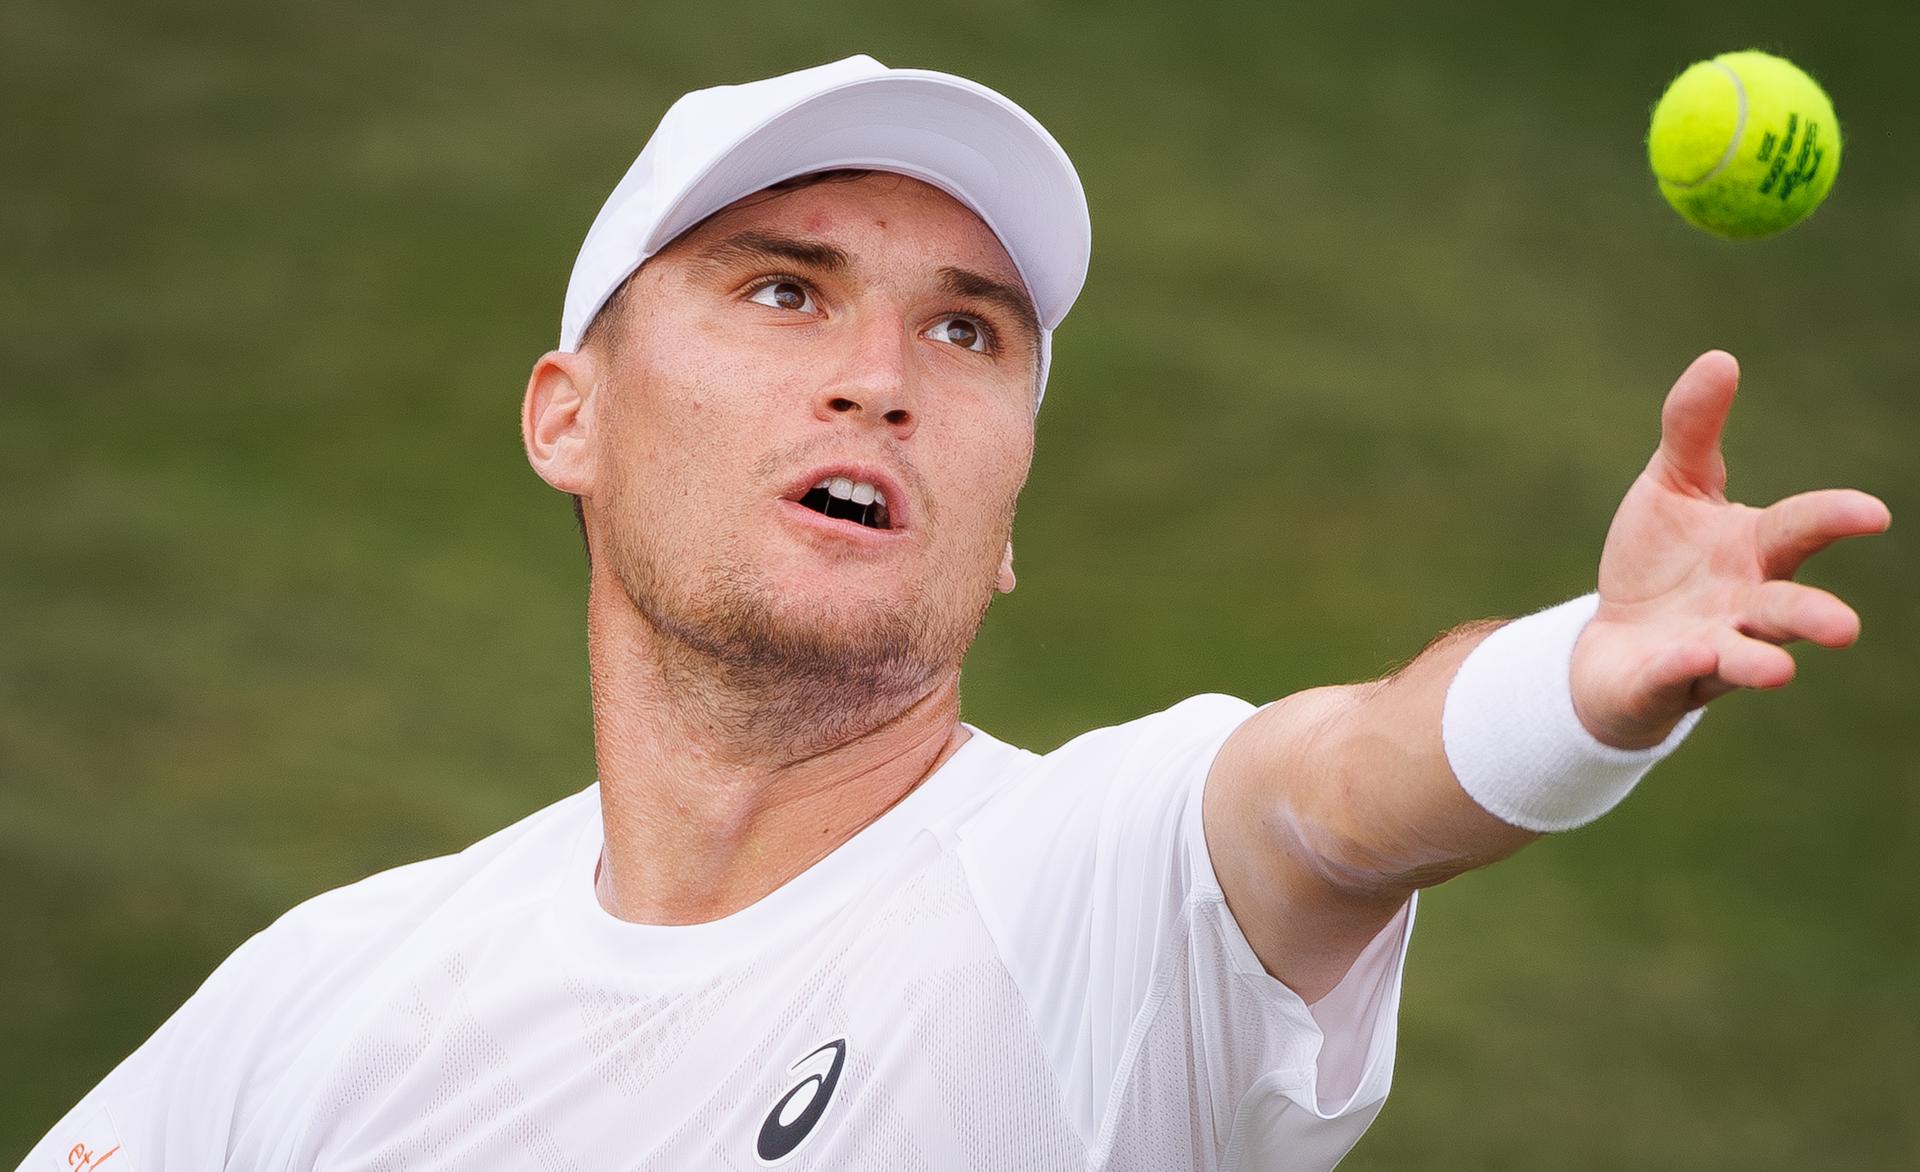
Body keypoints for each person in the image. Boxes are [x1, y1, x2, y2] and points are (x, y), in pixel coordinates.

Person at [21, 55, 1889, 1172]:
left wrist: (1579, 685)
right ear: (566, 416)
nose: (882, 378)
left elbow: (1340, 789)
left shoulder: (1091, 894)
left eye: (968, 332)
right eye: (780, 293)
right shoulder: (325, 1002)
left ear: (1002, 527)